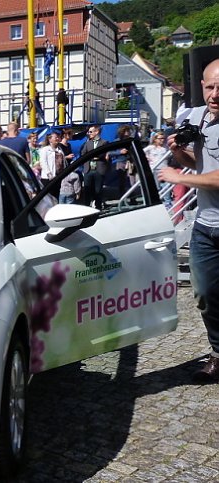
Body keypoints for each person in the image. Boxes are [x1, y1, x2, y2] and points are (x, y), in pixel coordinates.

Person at [158, 58, 219, 382]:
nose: (215, 94)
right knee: (205, 293)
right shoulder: (197, 117)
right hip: (206, 226)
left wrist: (176, 174)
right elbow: (200, 164)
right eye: (210, 87)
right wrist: (178, 153)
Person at [145, 132, 172, 209]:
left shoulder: (165, 148)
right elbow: (142, 152)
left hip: (164, 168)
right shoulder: (151, 147)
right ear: (155, 139)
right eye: (160, 138)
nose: (162, 140)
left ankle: (168, 202)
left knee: (166, 186)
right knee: (157, 187)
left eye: (163, 138)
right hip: (155, 168)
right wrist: (147, 158)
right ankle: (157, 202)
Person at [38, 131, 65, 196]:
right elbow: (43, 162)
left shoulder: (60, 150)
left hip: (58, 177)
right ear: (50, 139)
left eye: (58, 137)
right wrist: (49, 174)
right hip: (48, 178)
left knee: (56, 196)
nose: (58, 139)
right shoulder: (45, 150)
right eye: (56, 137)